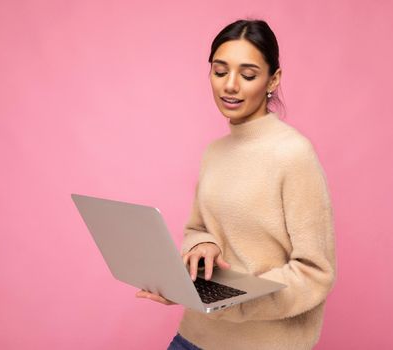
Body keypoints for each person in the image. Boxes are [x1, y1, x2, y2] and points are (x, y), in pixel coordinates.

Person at [135, 18, 336, 350]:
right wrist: (202, 246)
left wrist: (230, 300)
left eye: (247, 75)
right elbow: (198, 228)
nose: (230, 85)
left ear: (274, 80)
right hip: (194, 337)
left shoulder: (293, 155)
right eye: (219, 71)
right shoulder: (215, 153)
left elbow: (315, 272)